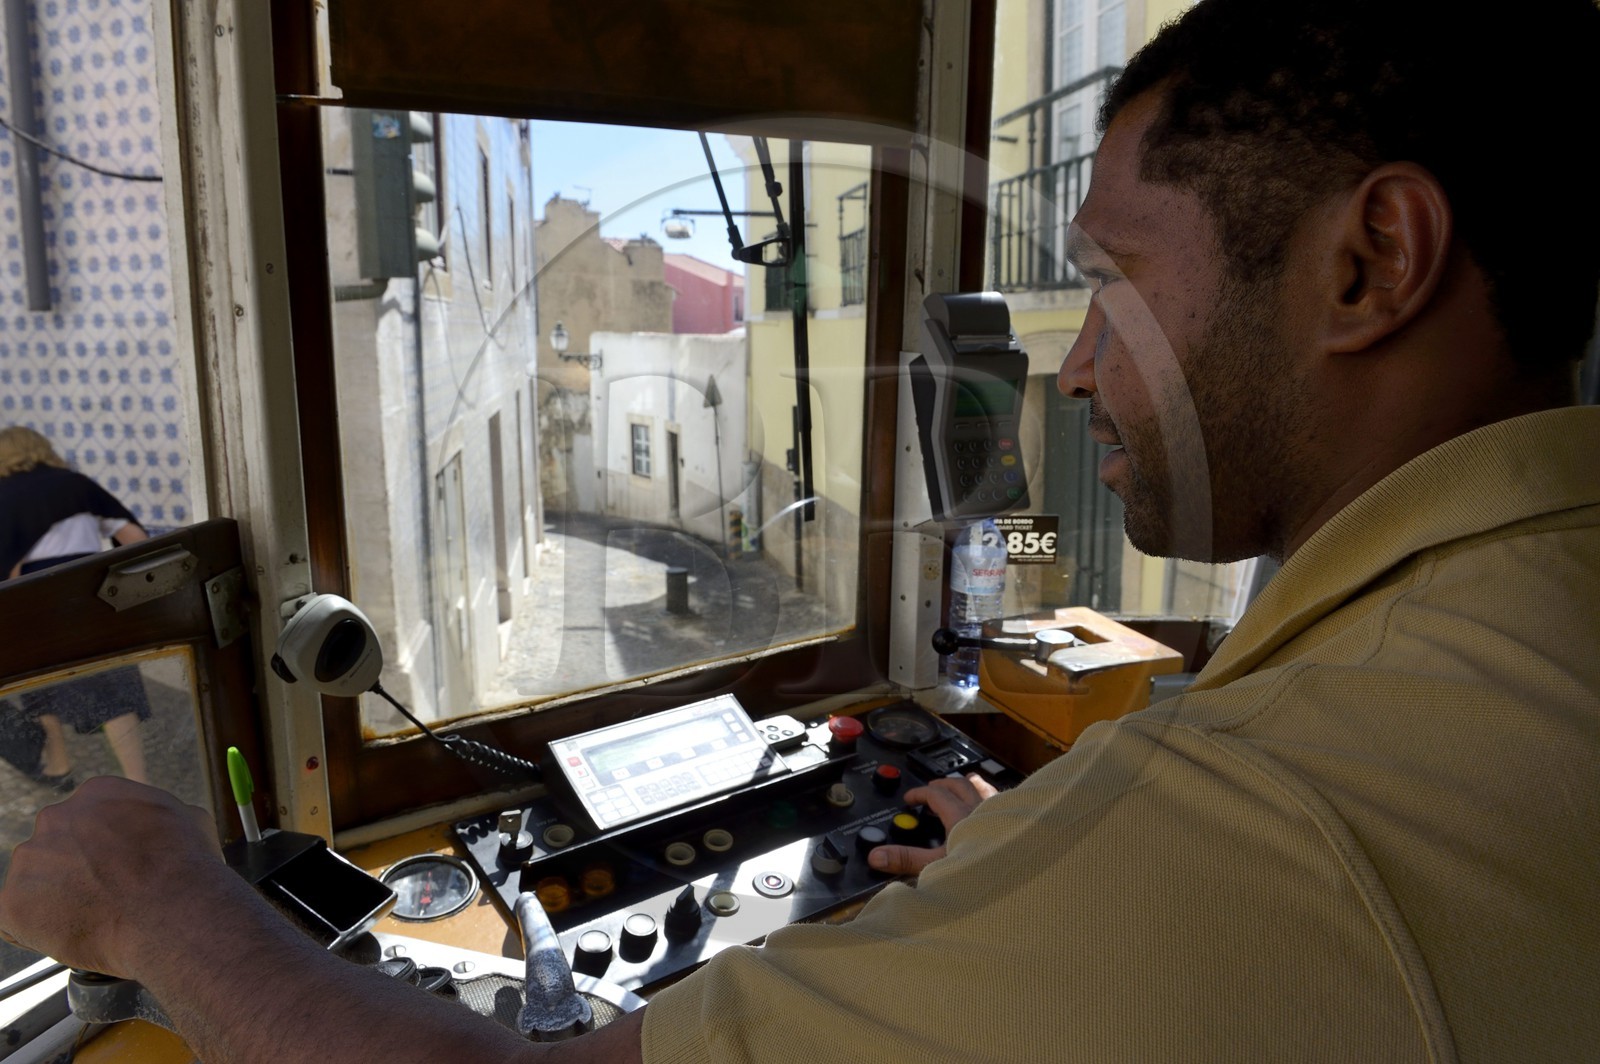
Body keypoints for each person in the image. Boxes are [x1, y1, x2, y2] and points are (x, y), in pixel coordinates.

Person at [2, 0, 1598, 1059]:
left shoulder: (1250, 823)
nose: (1084, 359)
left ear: (1371, 259)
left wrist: (162, 905)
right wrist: (1045, 884)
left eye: (1115, 275)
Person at [0, 426, 152, 788]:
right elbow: (136, 540)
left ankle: (58, 766)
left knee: (39, 682)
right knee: (112, 686)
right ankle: (139, 782)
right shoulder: (76, 484)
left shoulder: (3, 495)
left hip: (36, 596)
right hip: (91, 590)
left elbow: (10, 569)